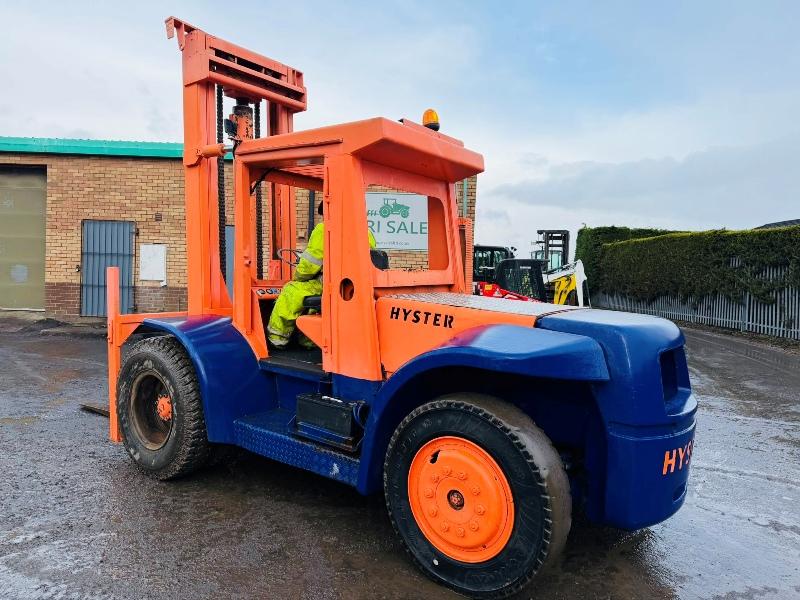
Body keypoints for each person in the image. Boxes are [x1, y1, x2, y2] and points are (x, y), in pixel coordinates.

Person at [267, 202, 376, 349]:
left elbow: (309, 265)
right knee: (312, 298)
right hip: (352, 284)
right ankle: (308, 340)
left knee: (291, 290)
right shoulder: (366, 232)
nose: (324, 219)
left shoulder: (325, 229)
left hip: (330, 282)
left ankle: (276, 340)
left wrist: (297, 278)